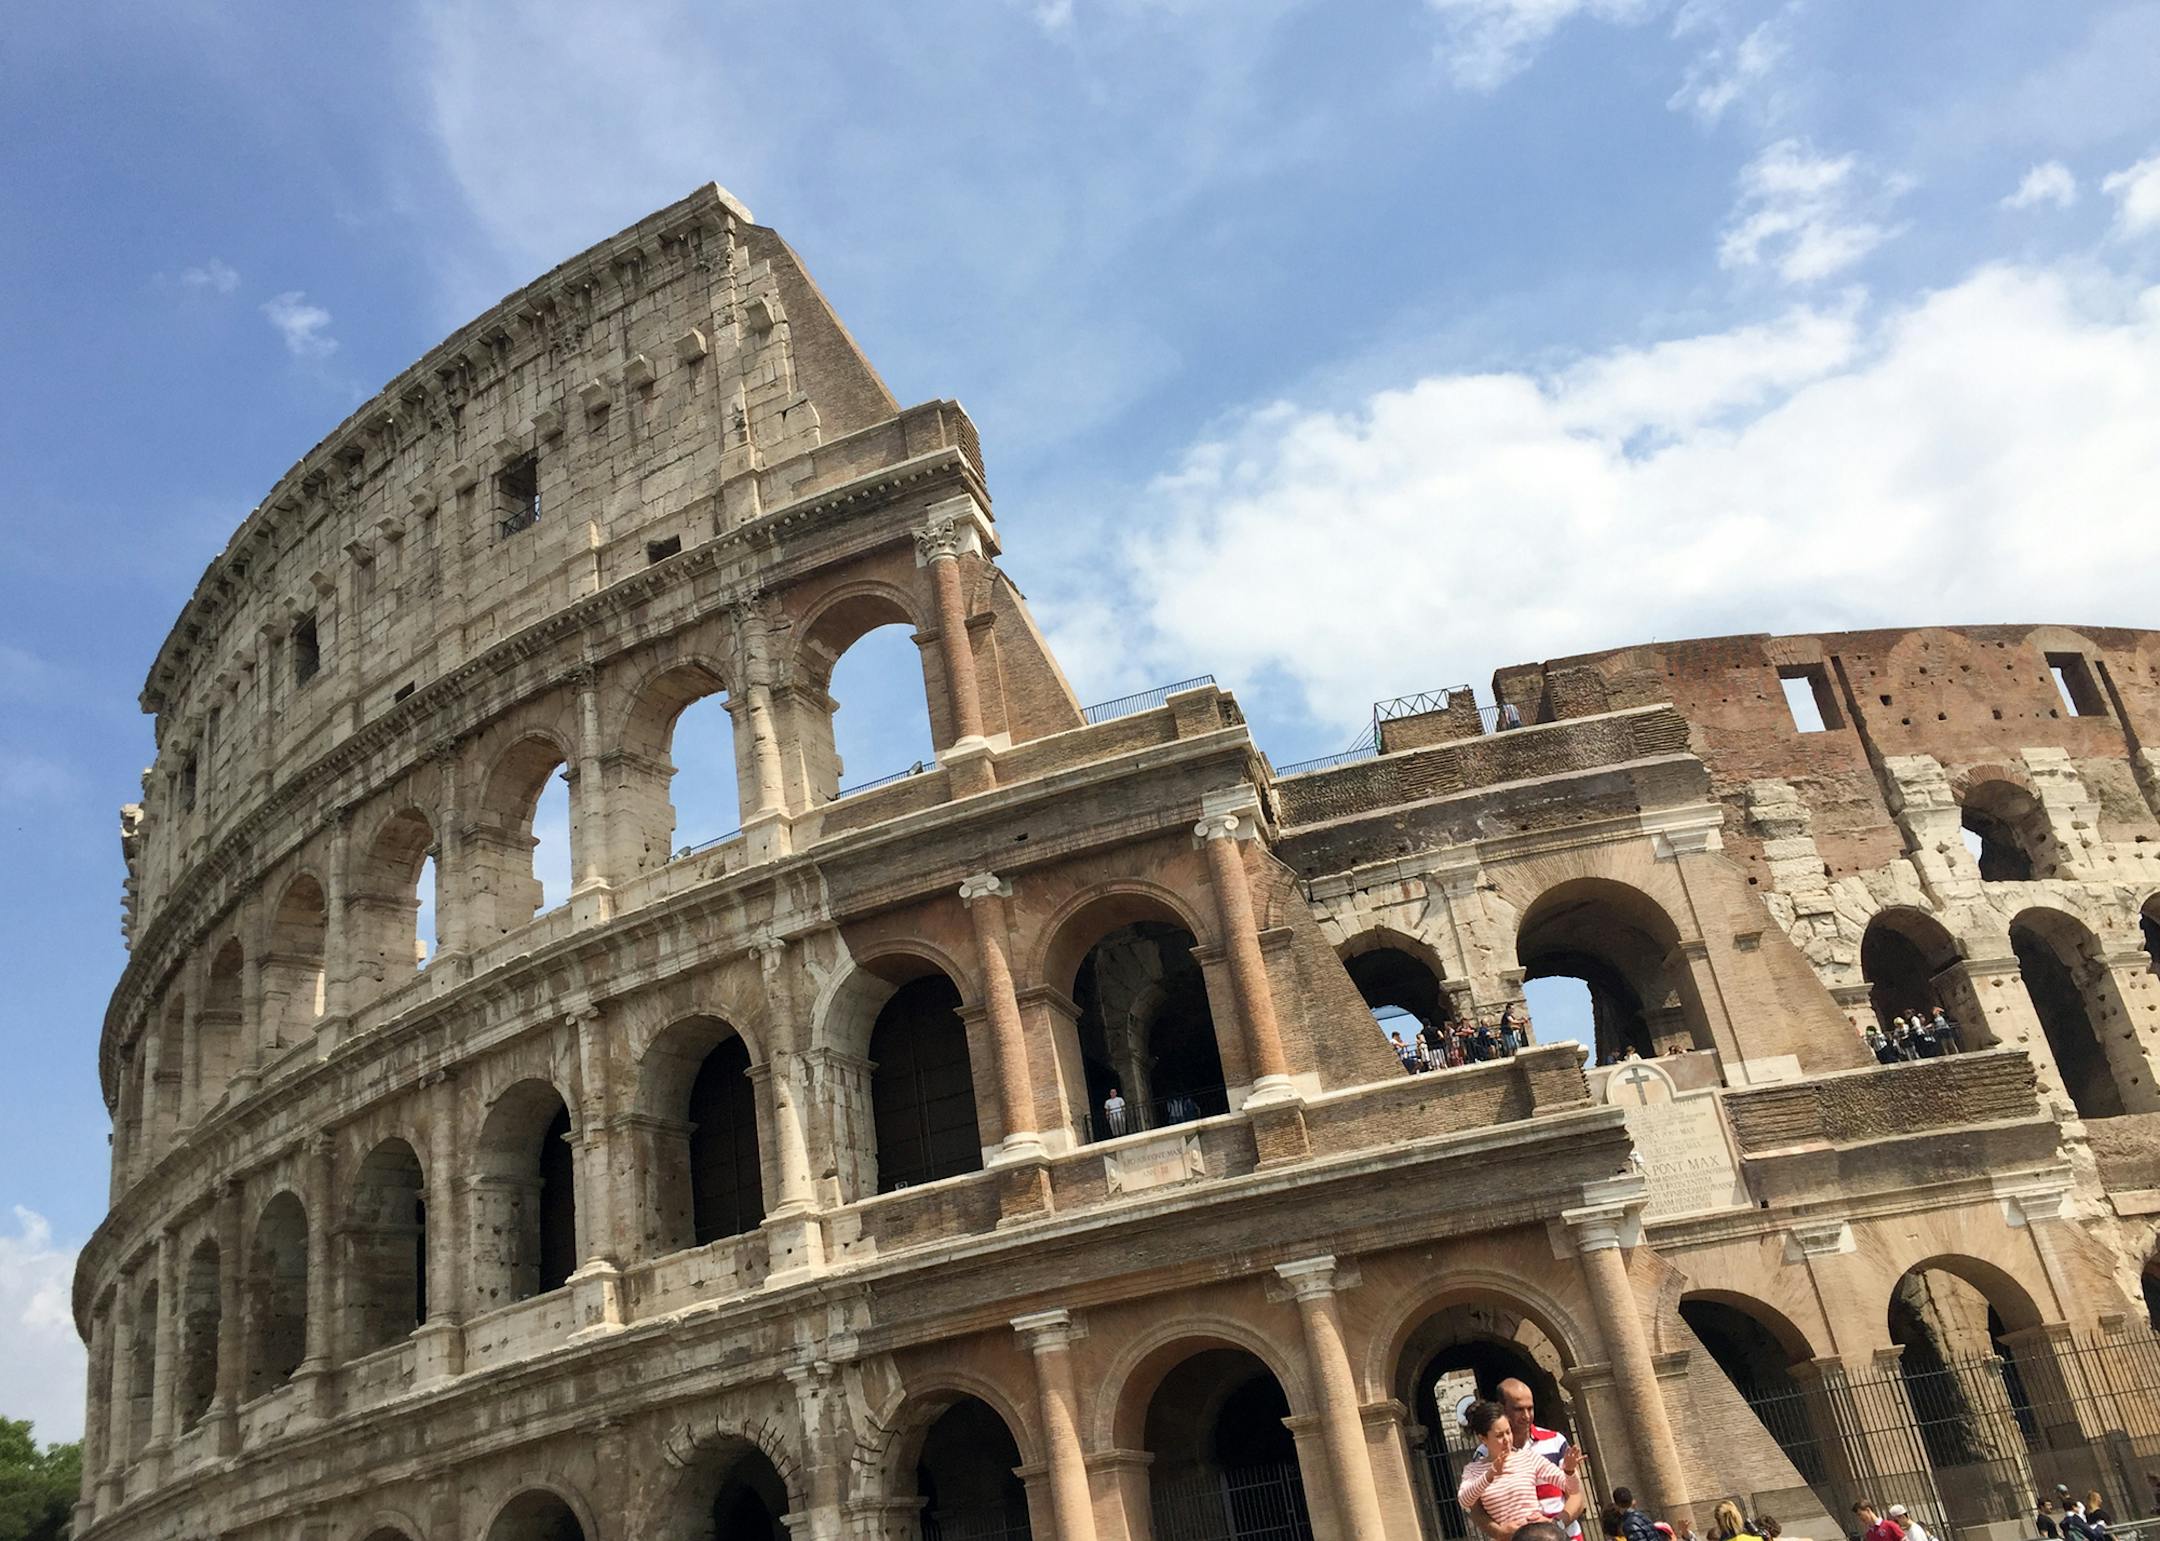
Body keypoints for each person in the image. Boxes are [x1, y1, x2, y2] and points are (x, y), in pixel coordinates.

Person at [1457, 1399, 1581, 1541]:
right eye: (1499, 1435)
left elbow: (1571, 1488)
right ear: (1483, 1438)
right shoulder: (1473, 1470)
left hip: (1536, 1536)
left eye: (1508, 1432)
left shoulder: (1527, 1457)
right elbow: (1465, 1500)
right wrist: (1489, 1475)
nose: (1506, 1440)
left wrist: (1570, 1471)